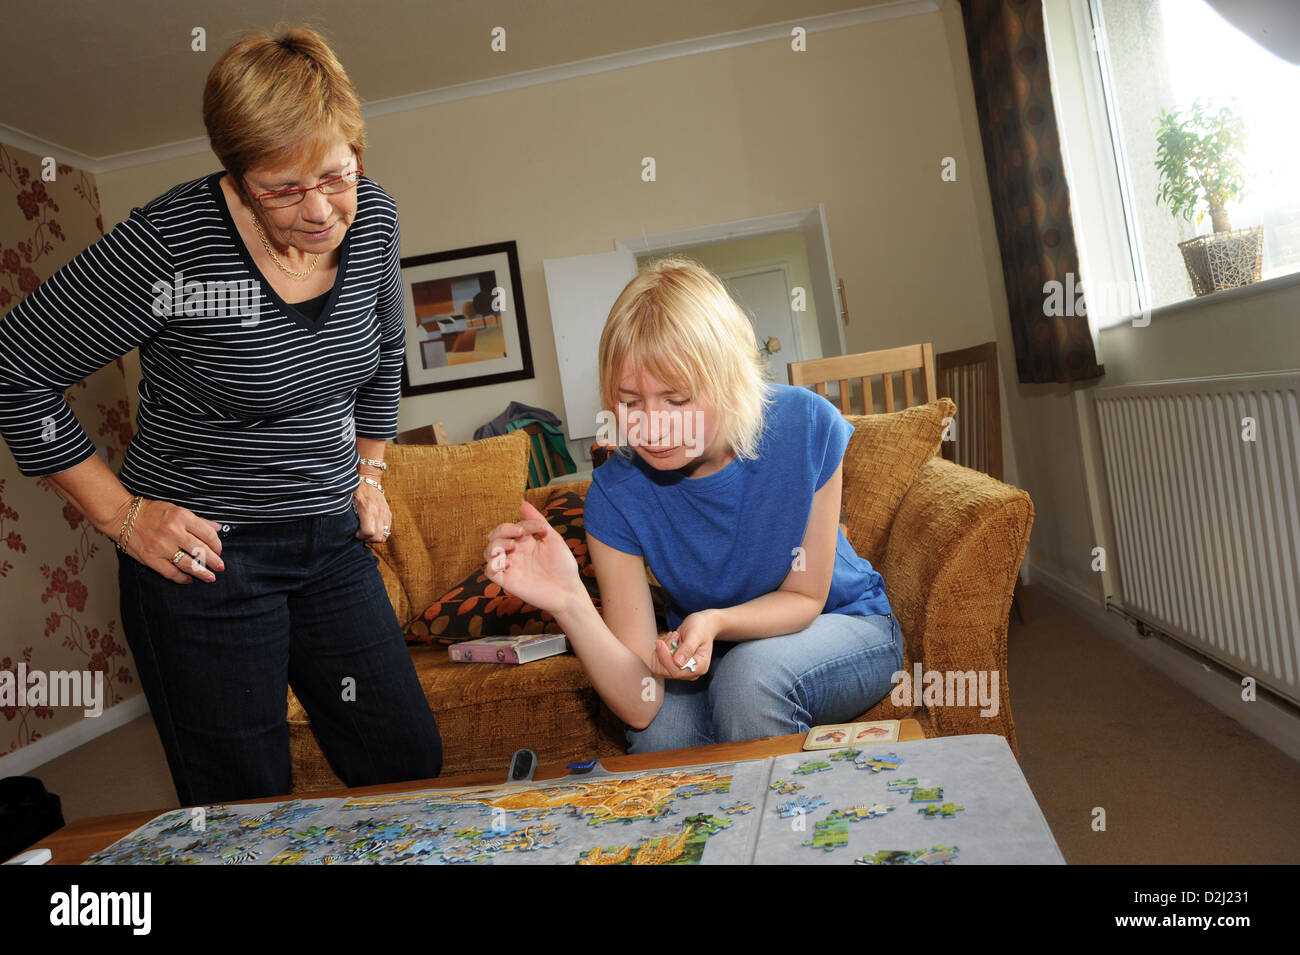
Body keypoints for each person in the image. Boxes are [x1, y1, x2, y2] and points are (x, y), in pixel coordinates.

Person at [0, 26, 441, 804]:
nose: (318, 211)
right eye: (281, 187)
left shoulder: (374, 219)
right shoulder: (169, 244)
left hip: (332, 541)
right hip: (205, 561)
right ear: (234, 178)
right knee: (243, 805)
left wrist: (370, 471)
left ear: (358, 154)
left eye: (335, 176)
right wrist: (125, 516)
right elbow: (17, 366)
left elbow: (383, 359)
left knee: (404, 758)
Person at [484, 259, 903, 752]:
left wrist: (715, 621)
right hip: (720, 655)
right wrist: (570, 601)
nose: (651, 427)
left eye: (676, 399)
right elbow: (641, 702)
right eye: (630, 402)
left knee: (750, 677)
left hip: (845, 624)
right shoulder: (615, 495)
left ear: (728, 378)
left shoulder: (806, 425)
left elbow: (806, 599)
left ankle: (791, 826)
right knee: (660, 731)